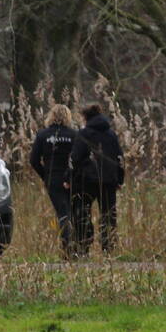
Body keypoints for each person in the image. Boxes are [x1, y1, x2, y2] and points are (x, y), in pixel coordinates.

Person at [69, 103, 124, 256]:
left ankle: (83, 247)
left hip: (86, 181)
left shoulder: (83, 133)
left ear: (85, 117)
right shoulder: (111, 134)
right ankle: (108, 248)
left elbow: (75, 158)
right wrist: (119, 179)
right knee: (108, 215)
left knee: (82, 213)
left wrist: (69, 178)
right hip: (109, 181)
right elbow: (119, 158)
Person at [29, 104, 78, 257]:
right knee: (73, 212)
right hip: (72, 178)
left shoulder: (43, 135)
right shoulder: (74, 134)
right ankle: (77, 247)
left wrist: (45, 175)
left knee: (63, 213)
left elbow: (33, 160)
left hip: (53, 179)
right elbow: (79, 158)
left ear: (51, 116)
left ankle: (67, 249)